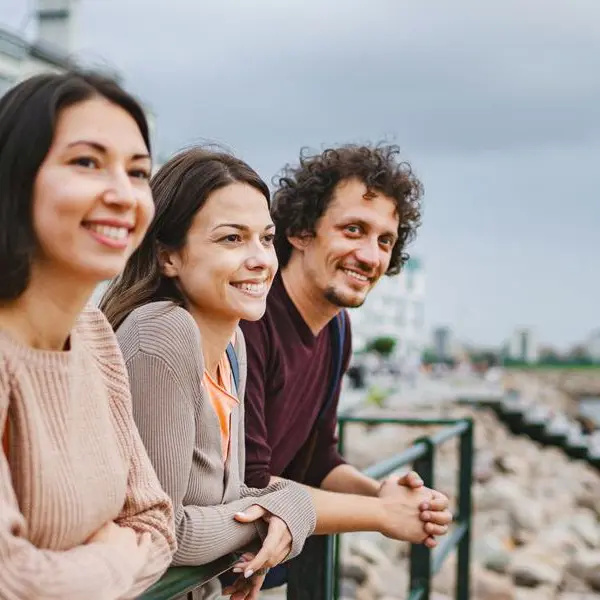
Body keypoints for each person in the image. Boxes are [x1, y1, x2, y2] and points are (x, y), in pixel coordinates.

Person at [100, 149, 317, 600]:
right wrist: (267, 519)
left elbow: (237, 492)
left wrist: (293, 506)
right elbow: (165, 530)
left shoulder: (232, 342)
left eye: (266, 238)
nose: (261, 259)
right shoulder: (163, 331)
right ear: (167, 257)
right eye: (232, 239)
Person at [0, 71, 176, 599]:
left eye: (139, 171)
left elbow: (157, 523)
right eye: (86, 162)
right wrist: (117, 557)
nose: (123, 195)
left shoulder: (94, 332)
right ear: (14, 177)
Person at [240, 144, 452, 562]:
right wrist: (379, 513)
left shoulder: (337, 329)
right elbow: (248, 486)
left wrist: (385, 495)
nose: (371, 256)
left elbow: (319, 459)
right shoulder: (250, 318)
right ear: (301, 231)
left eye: (385, 240)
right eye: (353, 230)